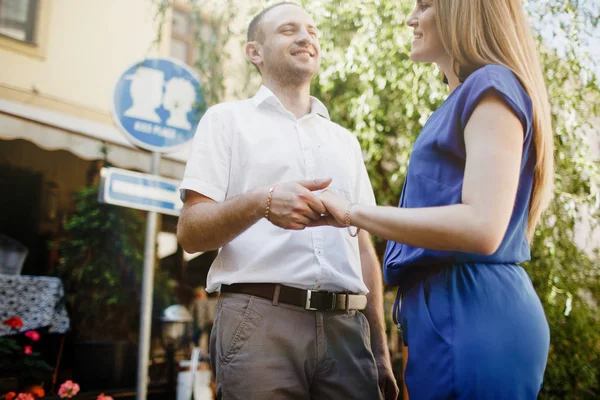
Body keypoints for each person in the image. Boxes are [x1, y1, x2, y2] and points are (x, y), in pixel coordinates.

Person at [315, 0, 554, 398]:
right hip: (446, 310)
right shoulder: (461, 100)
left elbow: (482, 227)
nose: (411, 18)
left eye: (424, 5)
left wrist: (352, 212)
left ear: (464, 12)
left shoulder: (490, 84)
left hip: (471, 310)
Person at [177, 2, 398, 399]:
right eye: (288, 30)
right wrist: (261, 201)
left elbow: (362, 245)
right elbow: (191, 232)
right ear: (254, 52)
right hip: (259, 321)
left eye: (312, 32)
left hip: (349, 331)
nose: (306, 38)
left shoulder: (345, 141)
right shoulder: (225, 121)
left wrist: (380, 349)